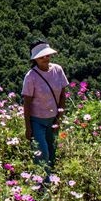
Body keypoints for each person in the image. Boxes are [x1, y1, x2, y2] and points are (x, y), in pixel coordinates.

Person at [22, 41, 69, 179]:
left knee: (52, 152)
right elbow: (27, 103)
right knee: (42, 154)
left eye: (47, 56)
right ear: (35, 59)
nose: (46, 59)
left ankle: (50, 180)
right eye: (42, 57)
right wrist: (28, 127)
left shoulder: (58, 70)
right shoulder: (31, 76)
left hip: (53, 119)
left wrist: (59, 119)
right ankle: (43, 186)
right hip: (37, 121)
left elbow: (62, 95)